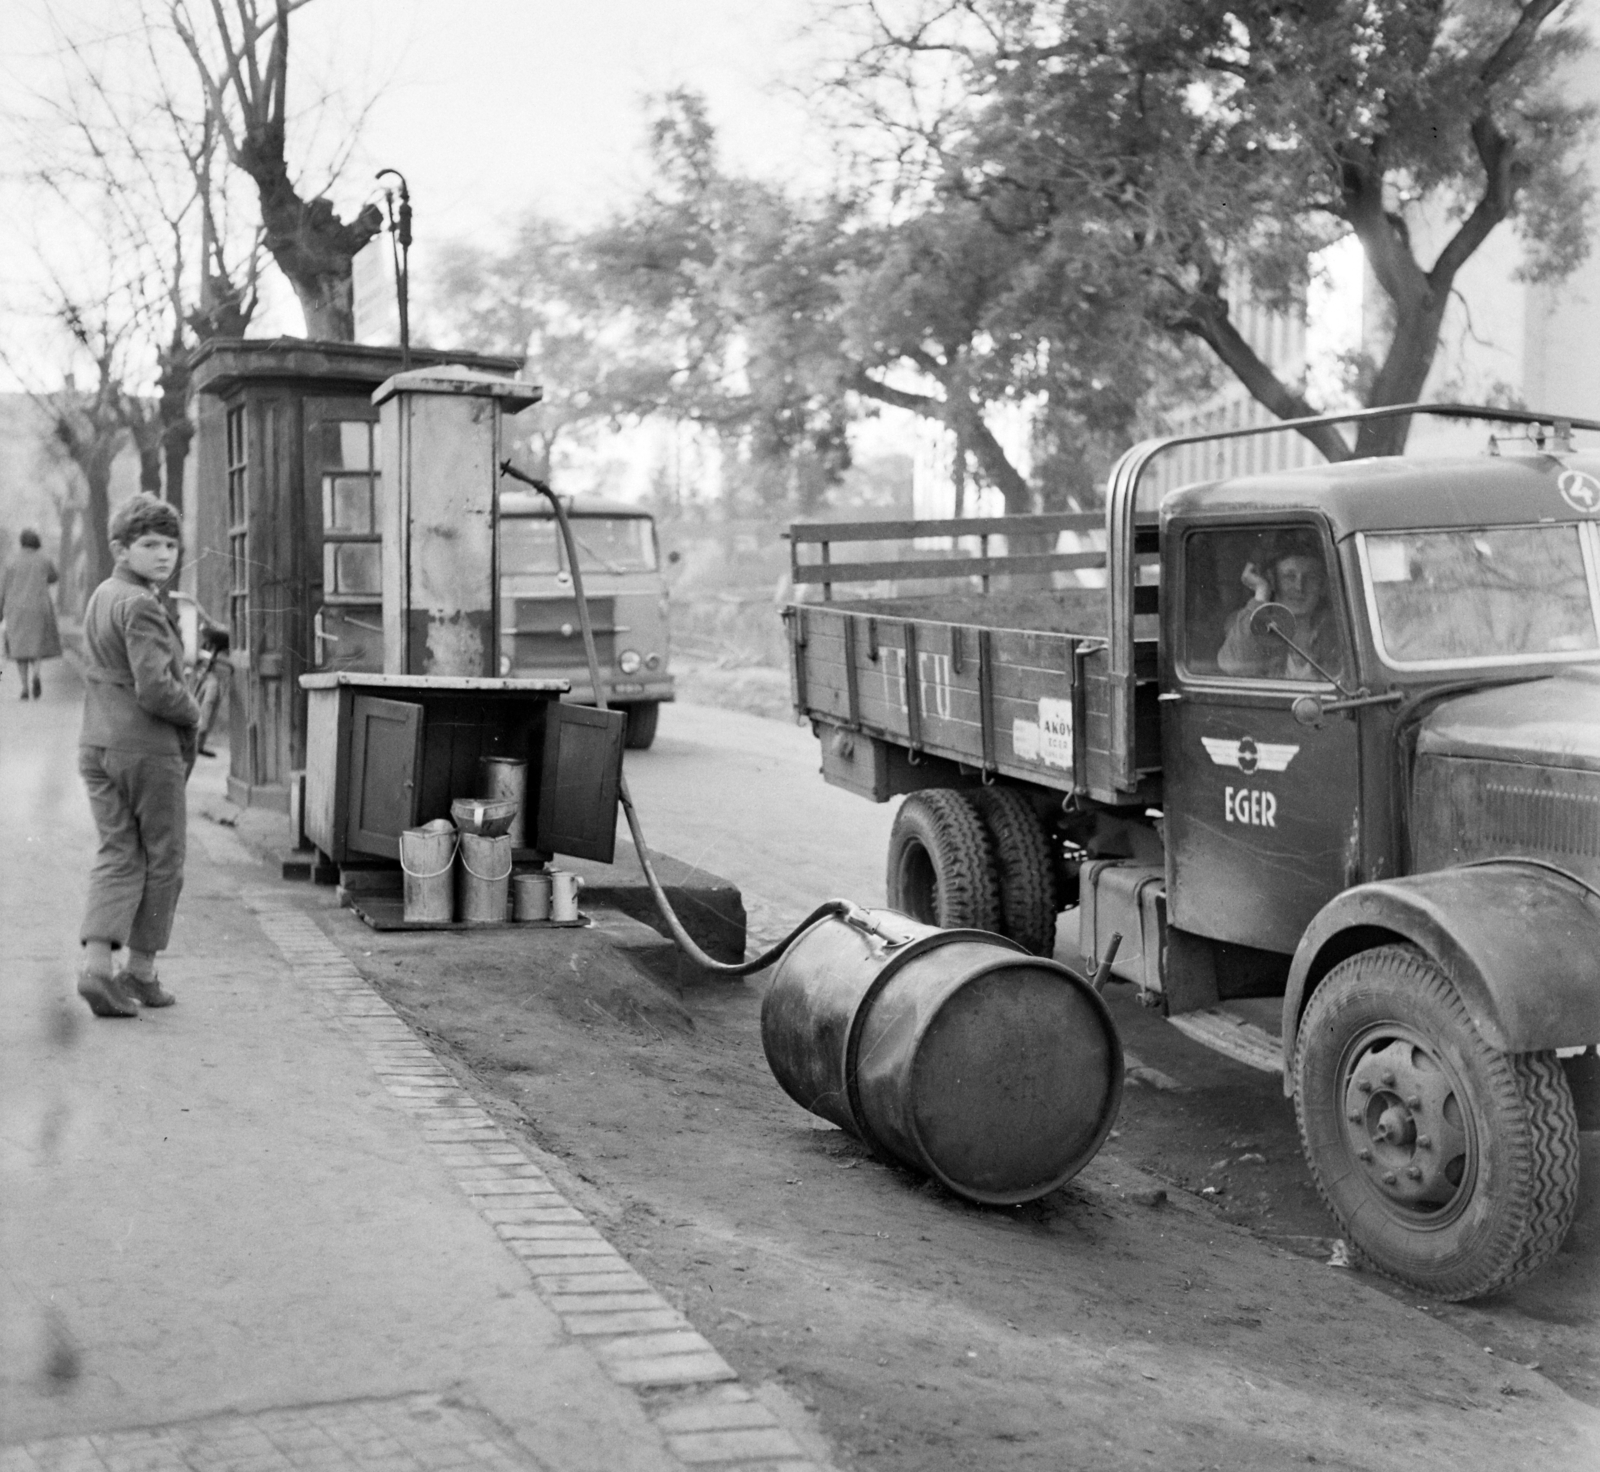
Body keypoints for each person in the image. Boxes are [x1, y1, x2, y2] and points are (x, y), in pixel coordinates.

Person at [76, 494, 200, 1018]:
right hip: (147, 749)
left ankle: (97, 970)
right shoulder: (143, 604)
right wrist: (192, 710)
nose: (164, 555)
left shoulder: (104, 593)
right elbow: (156, 690)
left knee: (118, 852)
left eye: (171, 545)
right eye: (150, 544)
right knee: (164, 858)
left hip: (97, 742)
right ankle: (142, 972)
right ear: (121, 548)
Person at [1217, 534, 1344, 682]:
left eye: (1311, 577)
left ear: (1322, 586)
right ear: (1273, 581)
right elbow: (1232, 666)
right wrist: (1261, 591)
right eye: (1289, 577)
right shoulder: (1248, 625)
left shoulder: (1337, 630)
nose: (1299, 587)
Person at [0, 527, 63, 699]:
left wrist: (0, 610)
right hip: (38, 607)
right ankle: (36, 674)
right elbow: (54, 577)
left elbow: (3, 587)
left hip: (16, 609)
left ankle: (25, 688)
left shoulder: (11, 560)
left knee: (19, 650)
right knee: (36, 645)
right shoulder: (44, 558)